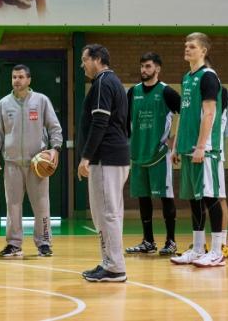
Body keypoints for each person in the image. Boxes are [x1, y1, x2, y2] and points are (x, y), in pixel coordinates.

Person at [0, 64, 62, 257]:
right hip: (12, 163)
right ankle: (14, 244)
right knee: (12, 204)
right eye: (14, 77)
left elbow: (54, 127)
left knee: (41, 203)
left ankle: (44, 243)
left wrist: (55, 149)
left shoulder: (41, 101)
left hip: (36, 163)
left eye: (21, 77)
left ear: (29, 80)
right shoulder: (3, 104)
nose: (17, 80)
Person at [170, 32, 226, 268]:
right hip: (187, 148)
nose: (187, 49)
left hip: (206, 149)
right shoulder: (187, 77)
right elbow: (185, 115)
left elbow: (210, 113)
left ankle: (216, 251)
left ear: (203, 51)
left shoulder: (208, 77)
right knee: (194, 199)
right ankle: (196, 247)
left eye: (192, 46)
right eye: (185, 45)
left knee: (210, 198)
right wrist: (176, 145)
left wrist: (202, 146)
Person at [77, 44, 129, 282]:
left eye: (84, 60)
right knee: (106, 213)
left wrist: (86, 156)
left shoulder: (103, 83)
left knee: (107, 213)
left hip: (106, 158)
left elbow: (100, 122)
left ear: (97, 59)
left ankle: (115, 267)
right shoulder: (112, 83)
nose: (82, 65)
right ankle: (108, 262)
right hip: (111, 157)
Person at [125, 52, 180, 256]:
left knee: (166, 197)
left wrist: (174, 142)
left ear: (157, 68)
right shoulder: (133, 92)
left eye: (147, 66)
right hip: (138, 154)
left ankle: (171, 241)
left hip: (159, 155)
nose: (143, 70)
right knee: (143, 198)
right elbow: (125, 122)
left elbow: (187, 115)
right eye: (142, 66)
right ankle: (148, 241)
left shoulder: (166, 92)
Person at [218, 87, 228, 258]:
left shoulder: (217, 111)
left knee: (219, 198)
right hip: (200, 155)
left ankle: (222, 243)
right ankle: (201, 243)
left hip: (215, 155)